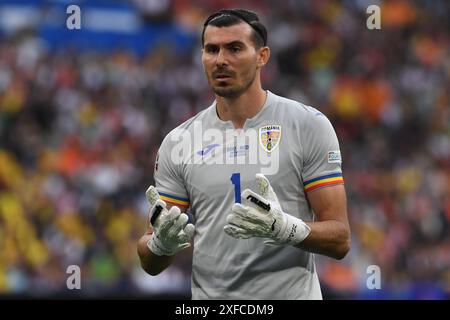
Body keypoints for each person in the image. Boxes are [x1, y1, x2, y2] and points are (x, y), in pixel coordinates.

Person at [137, 8, 350, 300]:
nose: (221, 59)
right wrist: (162, 245)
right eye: (212, 50)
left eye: (234, 48)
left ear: (262, 56)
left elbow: (340, 238)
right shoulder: (179, 141)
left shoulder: (307, 125)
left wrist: (287, 229)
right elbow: (149, 261)